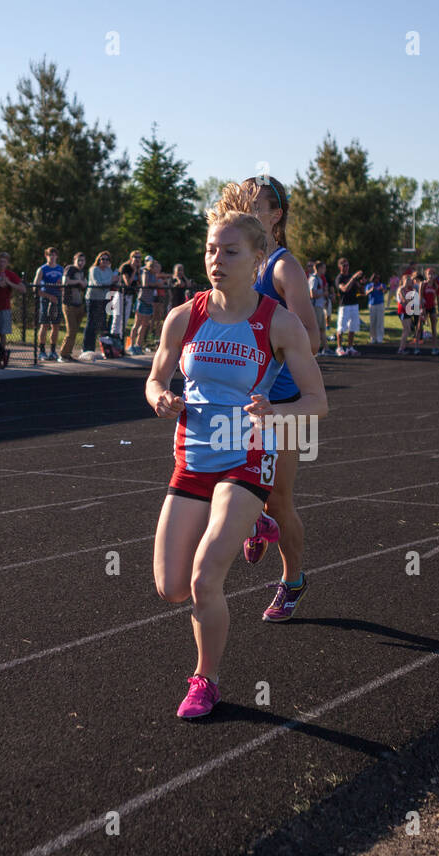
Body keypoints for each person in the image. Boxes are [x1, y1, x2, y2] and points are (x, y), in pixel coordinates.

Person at [148, 183, 326, 718]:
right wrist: (161, 399)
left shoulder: (278, 322)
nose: (216, 261)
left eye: (230, 252)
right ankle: (254, 528)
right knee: (171, 588)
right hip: (193, 458)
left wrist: (280, 414)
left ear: (256, 261)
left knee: (206, 577)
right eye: (210, 250)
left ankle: (206, 679)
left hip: (248, 452)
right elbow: (154, 379)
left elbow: (318, 402)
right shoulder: (185, 316)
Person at [238, 174, 322, 622]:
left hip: (283, 403)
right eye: (241, 204)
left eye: (256, 206)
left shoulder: (284, 268)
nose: (247, 212)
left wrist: (278, 341)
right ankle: (253, 520)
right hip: (241, 399)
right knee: (219, 477)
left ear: (276, 216)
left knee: (278, 501)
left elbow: (315, 337)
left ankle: (293, 581)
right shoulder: (238, 262)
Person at [32, 247, 64, 362]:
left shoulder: (61, 269)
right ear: (46, 256)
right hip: (46, 299)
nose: (52, 256)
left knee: (55, 326)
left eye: (54, 254)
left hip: (58, 300)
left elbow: (63, 286)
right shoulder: (42, 269)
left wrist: (61, 290)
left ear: (57, 256)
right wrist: (49, 296)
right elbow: (36, 288)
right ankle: (41, 351)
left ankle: (53, 351)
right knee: (44, 325)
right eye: (50, 254)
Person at [83, 251, 116, 360]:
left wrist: (110, 281)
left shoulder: (109, 270)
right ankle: (87, 349)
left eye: (107, 259)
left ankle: (104, 349)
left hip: (103, 299)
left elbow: (109, 283)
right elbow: (98, 283)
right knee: (91, 323)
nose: (105, 261)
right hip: (93, 298)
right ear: (98, 260)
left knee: (102, 323)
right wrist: (111, 280)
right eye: (102, 259)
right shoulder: (94, 269)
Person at [58, 251, 86, 361]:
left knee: (75, 331)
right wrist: (79, 281)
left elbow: (84, 284)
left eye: (83, 260)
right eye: (78, 260)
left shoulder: (82, 272)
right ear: (74, 260)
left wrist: (83, 283)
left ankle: (68, 354)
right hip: (69, 304)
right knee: (71, 330)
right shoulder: (70, 269)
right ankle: (63, 354)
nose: (80, 262)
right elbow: (65, 281)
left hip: (79, 304)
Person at [334, 257, 363, 356]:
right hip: (344, 305)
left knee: (352, 327)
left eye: (347, 265)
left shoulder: (351, 276)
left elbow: (361, 291)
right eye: (344, 265)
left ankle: (350, 347)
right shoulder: (339, 278)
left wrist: (361, 283)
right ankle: (339, 348)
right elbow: (344, 289)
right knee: (341, 327)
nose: (346, 267)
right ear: (339, 267)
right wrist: (353, 278)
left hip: (354, 304)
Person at [309, 261, 331, 355]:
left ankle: (325, 348)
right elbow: (312, 294)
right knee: (316, 329)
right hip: (315, 307)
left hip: (320, 306)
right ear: (319, 268)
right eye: (323, 268)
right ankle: (314, 350)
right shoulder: (314, 279)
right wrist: (323, 294)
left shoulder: (320, 279)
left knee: (322, 329)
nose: (324, 270)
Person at [422, 267, 439, 355]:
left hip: (432, 307)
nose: (431, 275)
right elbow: (421, 296)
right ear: (426, 275)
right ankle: (417, 348)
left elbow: (437, 297)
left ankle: (434, 348)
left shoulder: (435, 285)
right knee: (419, 328)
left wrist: (438, 309)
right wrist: (422, 308)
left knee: (434, 328)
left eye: (432, 274)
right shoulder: (423, 284)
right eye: (429, 274)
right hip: (424, 307)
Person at [365, 273, 386, 344]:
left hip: (380, 304)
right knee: (372, 322)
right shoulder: (369, 285)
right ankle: (373, 338)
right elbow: (366, 293)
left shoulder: (381, 285)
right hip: (372, 305)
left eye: (378, 278)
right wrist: (371, 290)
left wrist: (382, 289)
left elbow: (385, 291)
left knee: (380, 322)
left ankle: (379, 338)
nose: (377, 280)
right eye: (375, 278)